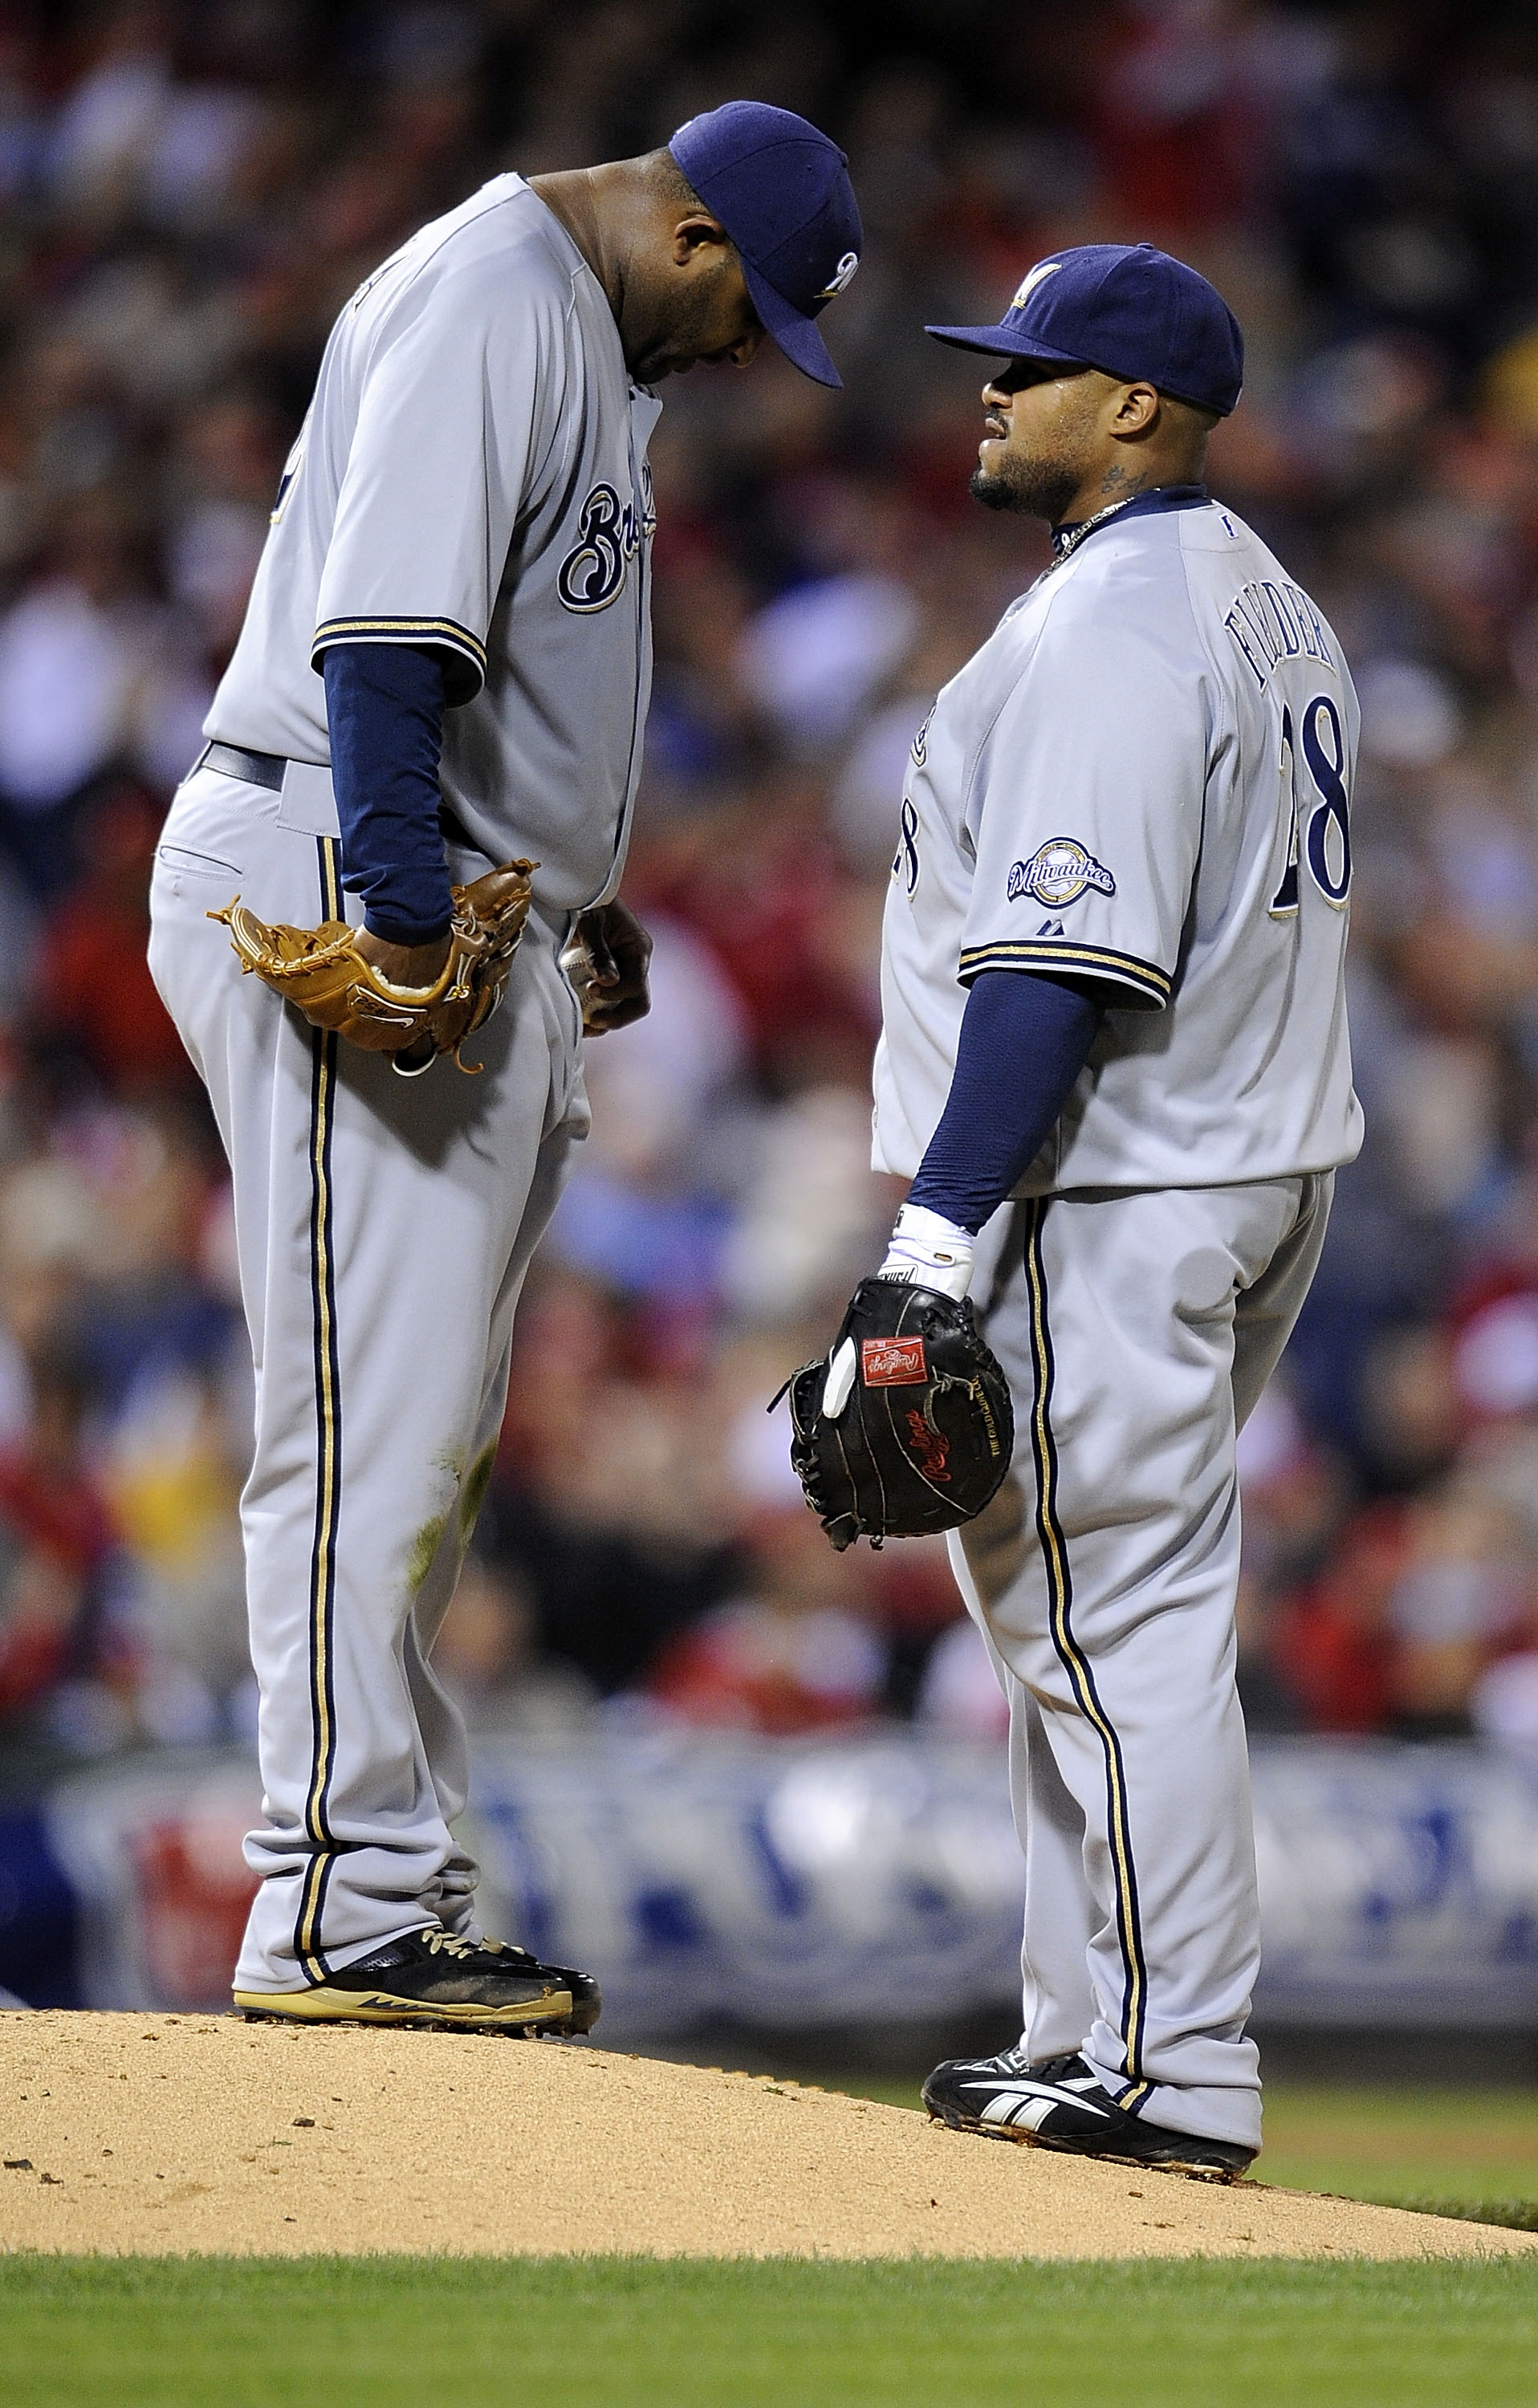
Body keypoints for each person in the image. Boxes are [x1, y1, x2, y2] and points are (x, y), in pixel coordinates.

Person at [148, 102, 862, 2034]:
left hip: (438, 868)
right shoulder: (499, 292)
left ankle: (382, 1880)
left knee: (426, 1438)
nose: (742, 360)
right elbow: (387, 645)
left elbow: (510, 678)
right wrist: (400, 907)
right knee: (361, 1414)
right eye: (750, 317)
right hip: (332, 840)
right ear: (692, 232)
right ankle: (329, 1902)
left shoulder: (585, 323)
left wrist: (567, 901)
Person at [864, 245, 1361, 2174]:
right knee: (1068, 1614)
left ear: (1134, 406)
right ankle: (1086, 2029)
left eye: (1031, 368)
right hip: (1243, 1169)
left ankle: (1171, 2067)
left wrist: (932, 1236)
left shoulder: (1112, 631)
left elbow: (1056, 977)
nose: (989, 390)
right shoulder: (1265, 605)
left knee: (1117, 1623)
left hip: (1118, 1182)